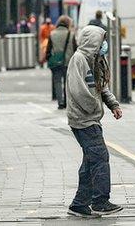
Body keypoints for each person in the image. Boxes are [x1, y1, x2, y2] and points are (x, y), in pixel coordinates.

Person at [66, 24, 123, 218]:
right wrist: (94, 108)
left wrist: (112, 104)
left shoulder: (94, 59)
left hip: (90, 118)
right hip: (84, 119)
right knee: (100, 158)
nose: (104, 44)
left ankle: (79, 204)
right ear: (92, 41)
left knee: (91, 161)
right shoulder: (79, 60)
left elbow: (101, 87)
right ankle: (100, 201)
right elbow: (78, 90)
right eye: (101, 40)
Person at [46, 16, 76, 109]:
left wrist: (49, 59)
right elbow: (76, 49)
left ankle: (60, 102)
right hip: (68, 62)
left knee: (57, 82)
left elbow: (48, 49)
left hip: (56, 62)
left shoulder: (52, 34)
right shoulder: (71, 34)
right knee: (68, 82)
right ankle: (67, 102)